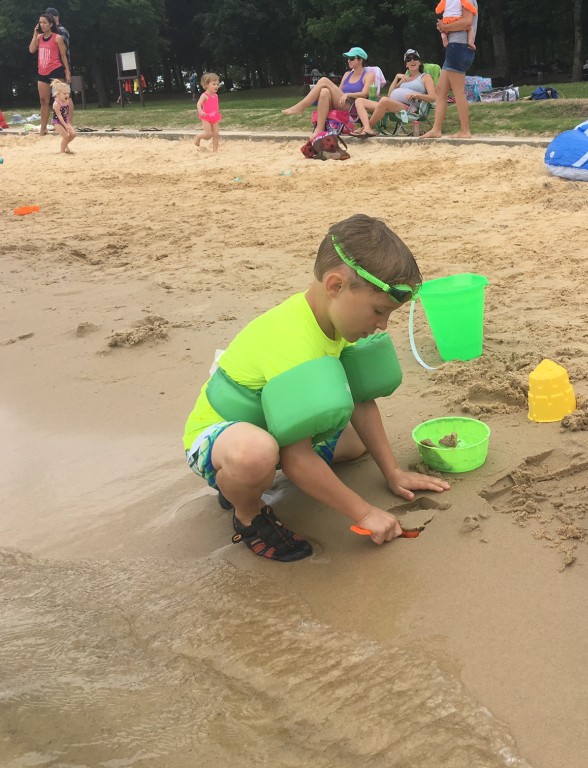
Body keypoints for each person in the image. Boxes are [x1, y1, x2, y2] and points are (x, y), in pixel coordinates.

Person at [182, 214, 450, 561]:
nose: (383, 325)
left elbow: (361, 400)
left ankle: (249, 478)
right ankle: (248, 513)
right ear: (335, 286)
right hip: (219, 438)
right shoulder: (291, 340)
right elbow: (296, 459)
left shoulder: (335, 320)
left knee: (356, 444)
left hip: (275, 428)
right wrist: (364, 513)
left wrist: (393, 471)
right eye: (378, 311)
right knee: (256, 455)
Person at [282, 47, 372, 138]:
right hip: (341, 103)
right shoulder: (347, 74)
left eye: (352, 58)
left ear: (360, 60)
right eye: (348, 58)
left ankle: (300, 107)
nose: (348, 61)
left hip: (353, 107)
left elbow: (365, 94)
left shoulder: (368, 75)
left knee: (324, 80)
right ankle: (319, 129)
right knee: (324, 92)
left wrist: (348, 94)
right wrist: (341, 95)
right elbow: (339, 91)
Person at [420, 4, 477, 139]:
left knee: (458, 91)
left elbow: (467, 22)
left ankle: (465, 130)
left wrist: (445, 27)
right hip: (455, 47)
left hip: (459, 47)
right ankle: (436, 129)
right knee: (440, 90)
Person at [352, 49, 435, 137]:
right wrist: (396, 77)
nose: (412, 61)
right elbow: (390, 94)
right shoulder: (404, 78)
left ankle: (366, 128)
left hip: (410, 107)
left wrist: (417, 95)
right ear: (406, 64)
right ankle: (367, 127)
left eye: (415, 58)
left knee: (384, 100)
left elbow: (433, 97)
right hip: (391, 105)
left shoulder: (425, 77)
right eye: (409, 59)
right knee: (359, 101)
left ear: (419, 62)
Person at [28, 12, 70, 136]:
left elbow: (63, 56)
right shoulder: (39, 37)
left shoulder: (57, 38)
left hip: (55, 70)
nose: (42, 25)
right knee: (43, 100)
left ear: (51, 24)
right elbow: (32, 50)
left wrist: (67, 72)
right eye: (40, 22)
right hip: (42, 71)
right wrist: (34, 35)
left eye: (45, 22)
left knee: (60, 100)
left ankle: (63, 126)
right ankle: (43, 128)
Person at [194, 72, 221, 152]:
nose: (216, 86)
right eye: (214, 84)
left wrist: (217, 112)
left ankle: (215, 151)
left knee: (216, 134)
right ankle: (198, 137)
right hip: (206, 117)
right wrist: (201, 111)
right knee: (209, 134)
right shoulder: (204, 95)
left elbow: (216, 105)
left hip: (214, 117)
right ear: (206, 85)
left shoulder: (216, 95)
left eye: (217, 84)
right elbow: (199, 104)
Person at [50, 79, 75, 153]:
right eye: (64, 93)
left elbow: (66, 113)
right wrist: (65, 125)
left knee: (73, 134)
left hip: (65, 121)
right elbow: (59, 116)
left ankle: (65, 144)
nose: (67, 95)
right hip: (57, 122)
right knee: (66, 136)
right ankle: (62, 151)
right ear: (58, 94)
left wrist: (68, 123)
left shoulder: (67, 101)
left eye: (68, 93)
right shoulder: (56, 104)